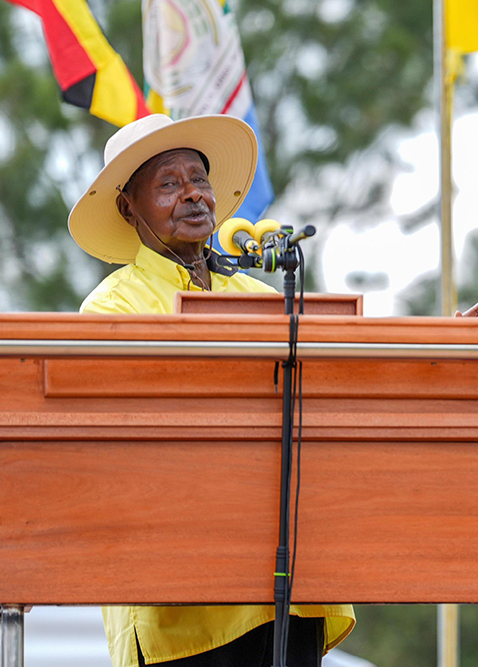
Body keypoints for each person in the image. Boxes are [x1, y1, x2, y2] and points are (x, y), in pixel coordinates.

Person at [68, 113, 355, 667]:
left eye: (199, 179)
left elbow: (339, 385)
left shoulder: (262, 294)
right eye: (169, 184)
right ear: (130, 208)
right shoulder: (112, 306)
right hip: (183, 594)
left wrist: (446, 351)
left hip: (291, 581)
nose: (193, 194)